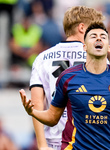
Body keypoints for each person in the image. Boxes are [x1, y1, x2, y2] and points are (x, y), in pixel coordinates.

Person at [20, 21, 110, 150]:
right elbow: (52, 118)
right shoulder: (68, 77)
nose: (98, 39)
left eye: (103, 36)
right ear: (84, 46)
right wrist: (33, 112)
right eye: (93, 36)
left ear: (109, 47)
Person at [23, 6, 105, 150]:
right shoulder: (97, 57)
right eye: (94, 29)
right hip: (86, 139)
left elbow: (37, 104)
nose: (98, 36)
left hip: (53, 140)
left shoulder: (42, 58)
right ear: (82, 28)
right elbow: (106, 100)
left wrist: (42, 145)